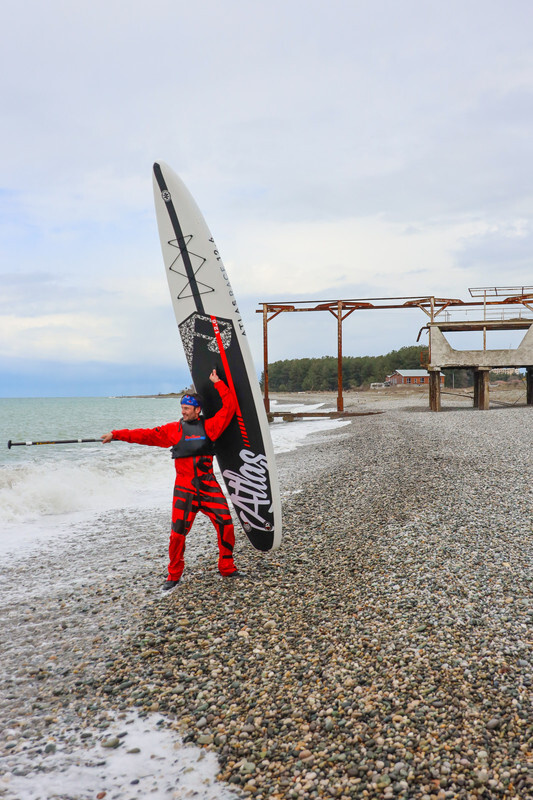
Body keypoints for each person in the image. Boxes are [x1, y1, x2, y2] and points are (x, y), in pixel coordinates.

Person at [101, 369, 241, 591]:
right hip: (185, 489)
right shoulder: (173, 430)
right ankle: (174, 574)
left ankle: (226, 566)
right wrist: (117, 434)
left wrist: (218, 383)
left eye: (187, 408)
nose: (183, 412)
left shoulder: (211, 427)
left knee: (226, 524)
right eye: (182, 408)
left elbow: (230, 407)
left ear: (197, 409)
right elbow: (145, 435)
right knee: (177, 535)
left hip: (208, 485)